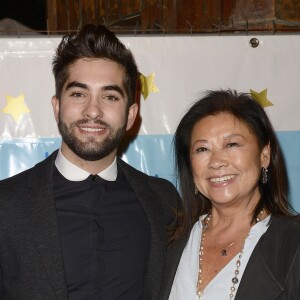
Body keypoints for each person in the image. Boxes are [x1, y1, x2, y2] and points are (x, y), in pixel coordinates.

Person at [0, 24, 180, 300]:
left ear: (131, 115)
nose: (93, 111)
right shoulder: (7, 205)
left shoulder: (163, 201)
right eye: (78, 94)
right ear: (57, 106)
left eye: (109, 97)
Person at [159, 89, 300, 300]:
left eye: (232, 144)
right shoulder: (169, 242)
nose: (216, 162)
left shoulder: (292, 245)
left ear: (264, 155)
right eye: (202, 149)